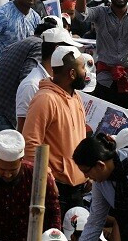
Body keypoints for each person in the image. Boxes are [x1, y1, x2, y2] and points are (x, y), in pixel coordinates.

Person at [23, 46, 88, 213]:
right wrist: (46, 180)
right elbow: (30, 144)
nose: (86, 72)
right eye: (82, 68)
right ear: (72, 74)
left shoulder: (76, 97)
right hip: (56, 189)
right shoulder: (44, 99)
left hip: (77, 187)